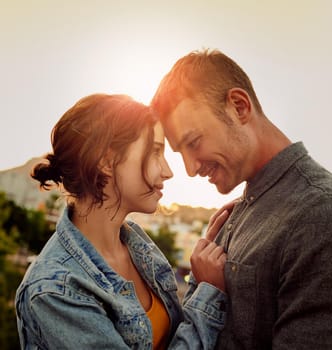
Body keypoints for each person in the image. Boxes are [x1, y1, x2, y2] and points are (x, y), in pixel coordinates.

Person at [151, 49, 332, 349]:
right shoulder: (237, 213)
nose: (190, 169)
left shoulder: (327, 216)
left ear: (239, 107)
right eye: (180, 154)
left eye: (193, 143)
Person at [15, 93, 229, 349]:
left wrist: (202, 275)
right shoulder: (54, 290)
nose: (168, 171)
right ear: (106, 161)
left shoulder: (139, 247)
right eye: (155, 151)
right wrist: (207, 293)